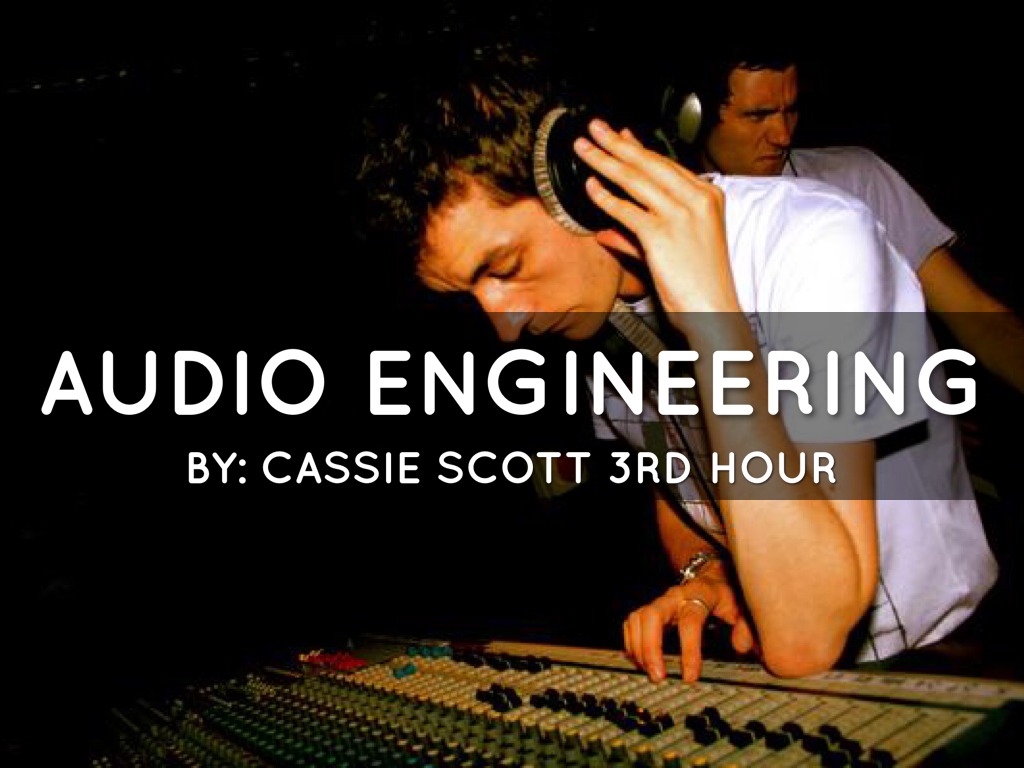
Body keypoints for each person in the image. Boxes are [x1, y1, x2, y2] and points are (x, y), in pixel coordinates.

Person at [357, 43, 997, 681]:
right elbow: (677, 483)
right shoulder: (593, 315)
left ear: (584, 186)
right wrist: (706, 570)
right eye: (471, 295)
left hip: (938, 656)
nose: (505, 326)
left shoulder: (815, 244)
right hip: (781, 666)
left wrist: (713, 325)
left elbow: (807, 634)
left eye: (505, 267)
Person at [657, 47, 1024, 396]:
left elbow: (977, 316)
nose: (783, 135)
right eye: (758, 115)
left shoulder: (857, 180)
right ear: (691, 119)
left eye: (791, 110)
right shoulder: (666, 233)